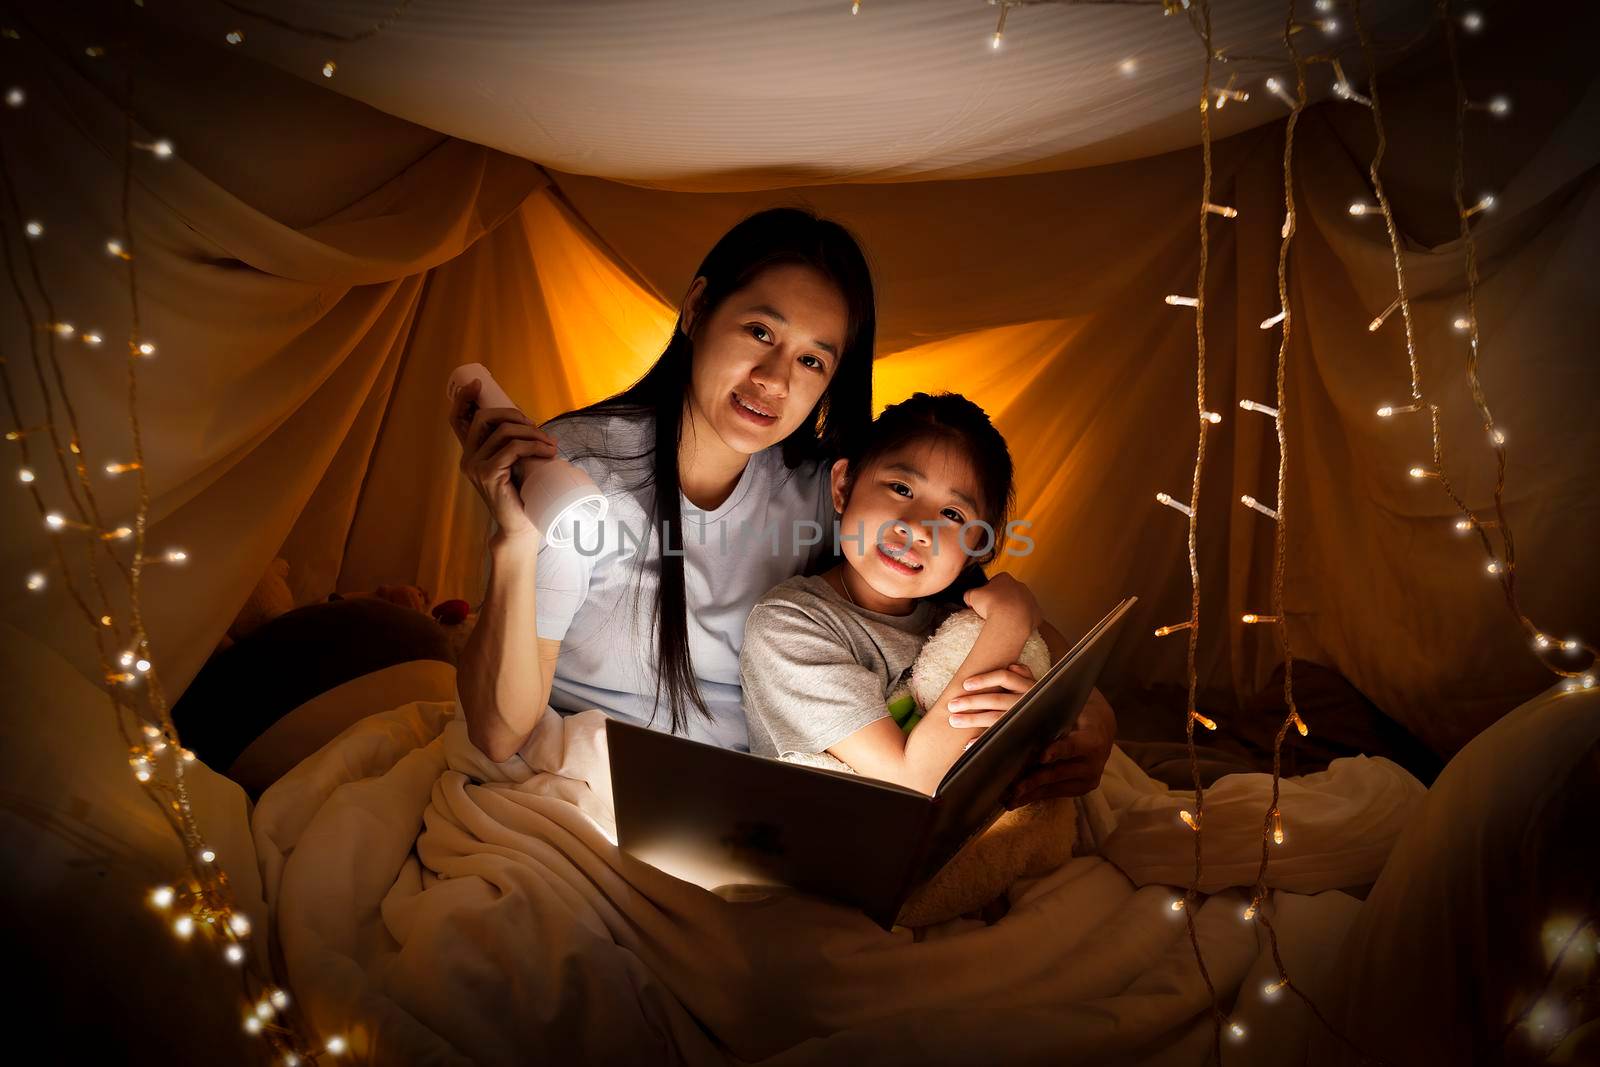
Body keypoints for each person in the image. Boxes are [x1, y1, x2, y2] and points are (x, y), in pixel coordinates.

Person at [447, 207, 1113, 805]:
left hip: (753, 807)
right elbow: (499, 731)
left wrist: (1093, 716)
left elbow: (982, 604)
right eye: (761, 330)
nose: (774, 380)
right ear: (699, 308)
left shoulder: (821, 487)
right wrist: (514, 541)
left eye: (813, 362)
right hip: (594, 778)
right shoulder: (585, 469)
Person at [740, 392, 1115, 799]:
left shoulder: (954, 618)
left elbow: (1067, 669)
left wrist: (1095, 716)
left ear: (979, 549)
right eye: (901, 488)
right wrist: (1009, 623)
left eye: (953, 515)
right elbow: (913, 786)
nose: (918, 527)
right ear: (844, 486)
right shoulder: (789, 623)